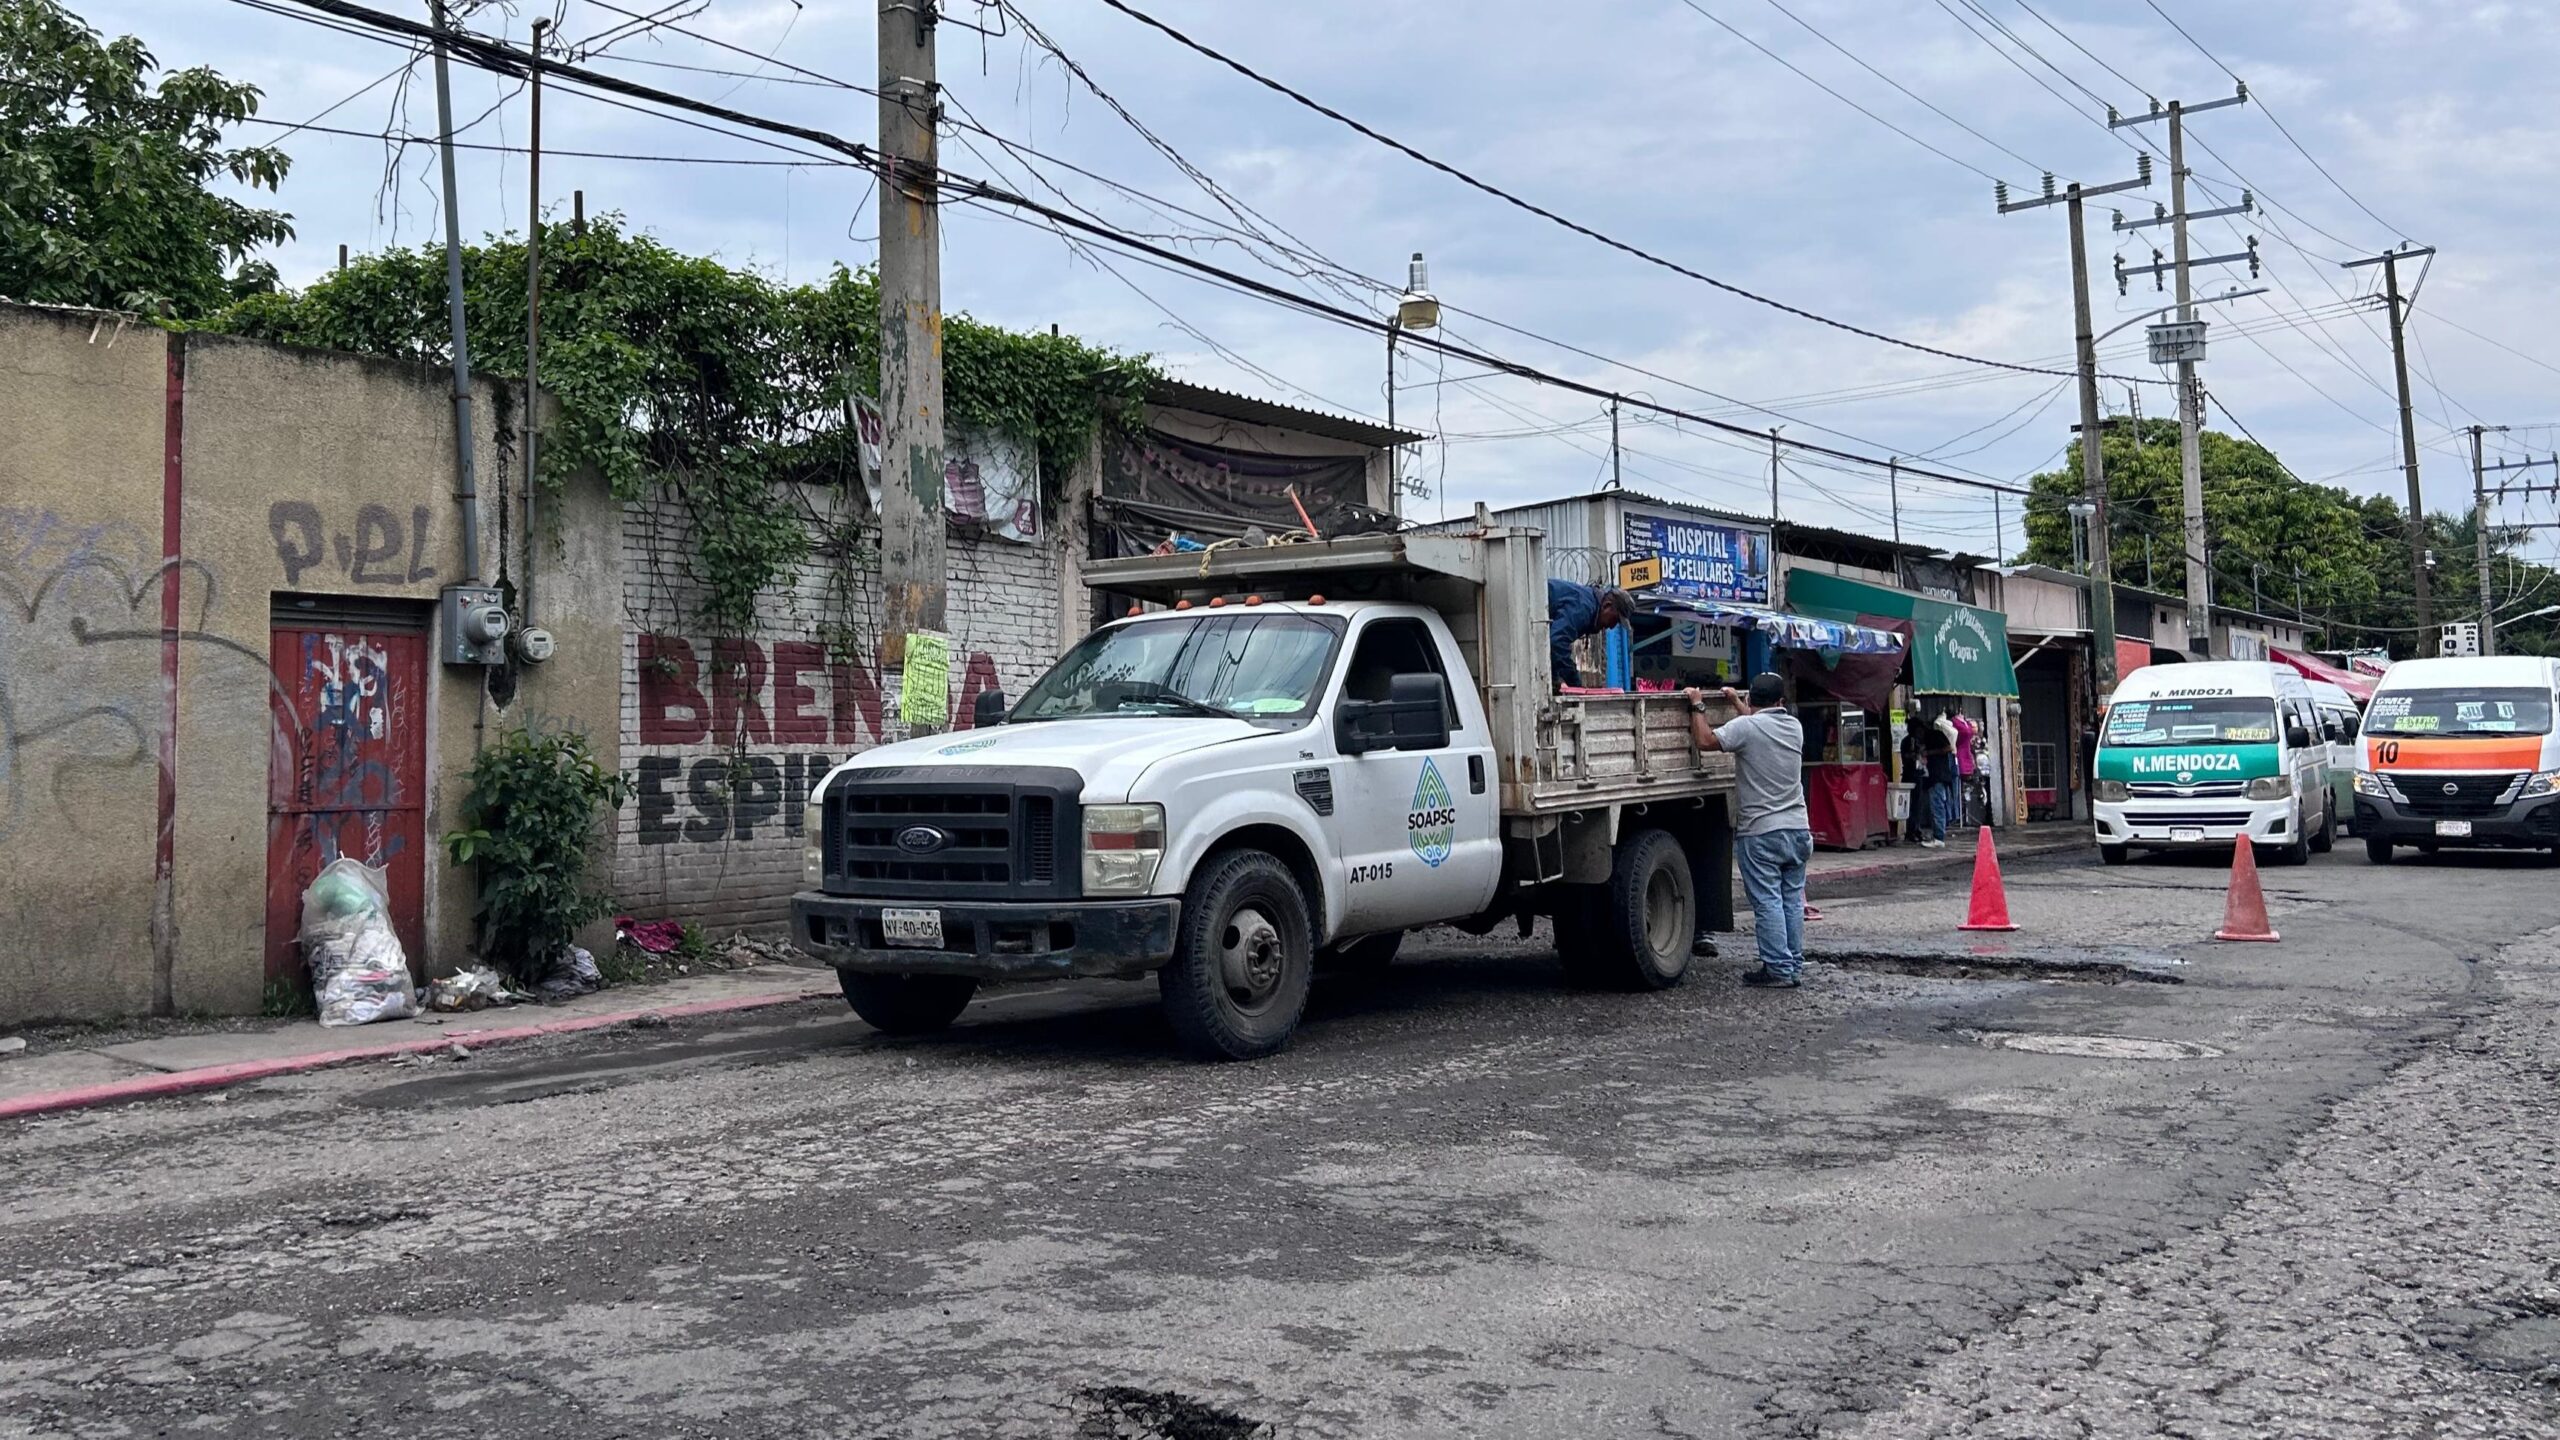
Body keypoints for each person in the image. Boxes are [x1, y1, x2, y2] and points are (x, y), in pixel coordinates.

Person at [1685, 672, 1812, 989]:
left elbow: (1705, 741)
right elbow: (1757, 723)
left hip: (1762, 832)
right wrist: (1736, 703)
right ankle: (1793, 964)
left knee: (1768, 902)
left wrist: (1697, 705)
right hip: (1798, 829)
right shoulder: (1794, 728)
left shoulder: (1746, 728)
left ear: (1752, 699)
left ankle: (1778, 969)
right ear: (1781, 702)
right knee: (1791, 901)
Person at [1547, 580, 1635, 690]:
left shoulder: (1589, 602)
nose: (1612, 627)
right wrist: (1575, 684)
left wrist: (1555, 680)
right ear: (1607, 606)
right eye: (1615, 620)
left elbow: (1552, 648)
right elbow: (1556, 643)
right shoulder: (1584, 609)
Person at [1918, 711, 1957, 848]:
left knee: (1937, 806)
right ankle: (1938, 834)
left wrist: (1929, 753)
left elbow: (1949, 748)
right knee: (1938, 805)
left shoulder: (1935, 735)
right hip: (1935, 776)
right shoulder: (1927, 739)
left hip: (1938, 776)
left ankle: (1939, 838)